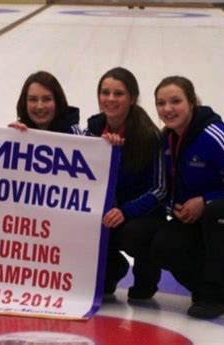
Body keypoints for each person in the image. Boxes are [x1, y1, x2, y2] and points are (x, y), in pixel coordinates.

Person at [151, 76, 224, 319]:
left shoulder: (217, 138)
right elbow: (165, 189)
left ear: (192, 102)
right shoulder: (166, 140)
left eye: (176, 101)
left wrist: (206, 201)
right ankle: (206, 290)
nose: (168, 109)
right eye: (161, 103)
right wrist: (175, 207)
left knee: (217, 213)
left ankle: (218, 297)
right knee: (162, 244)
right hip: (200, 220)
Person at [84, 67, 166, 300]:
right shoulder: (91, 130)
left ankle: (146, 278)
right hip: (106, 212)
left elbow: (160, 189)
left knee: (134, 233)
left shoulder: (150, 135)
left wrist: (126, 211)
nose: (110, 99)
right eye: (105, 92)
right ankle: (112, 268)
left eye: (118, 94)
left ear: (132, 98)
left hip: (141, 216)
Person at [9, 71, 82, 134]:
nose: (40, 106)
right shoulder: (18, 134)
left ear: (57, 101)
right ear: (24, 103)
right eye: (33, 99)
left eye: (46, 99)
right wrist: (13, 137)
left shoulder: (77, 137)